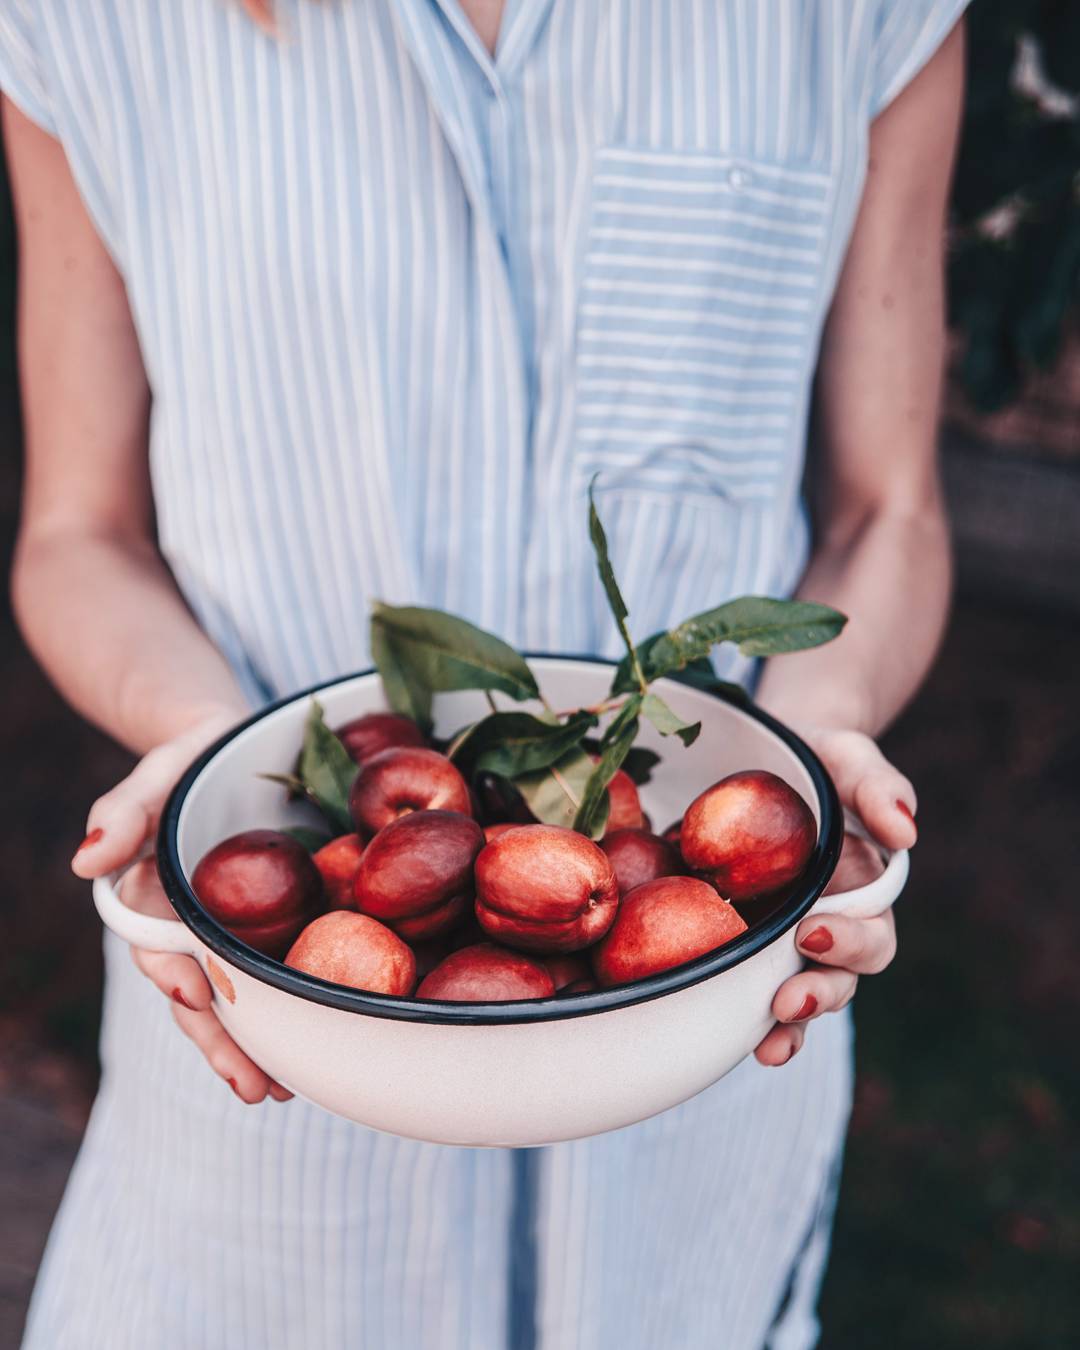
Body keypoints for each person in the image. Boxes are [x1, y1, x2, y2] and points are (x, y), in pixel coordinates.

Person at [1, 1, 966, 1346]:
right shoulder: (90, 22)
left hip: (710, 1051)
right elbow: (75, 535)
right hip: (267, 1074)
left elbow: (891, 513)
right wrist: (210, 754)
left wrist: (820, 727)